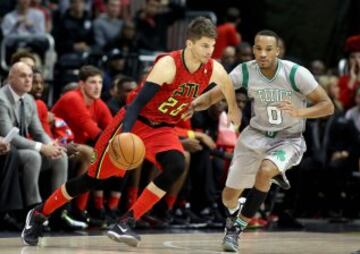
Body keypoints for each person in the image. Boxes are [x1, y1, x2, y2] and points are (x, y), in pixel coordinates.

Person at [21, 16, 241, 246]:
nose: (210, 50)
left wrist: (228, 107)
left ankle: (126, 222)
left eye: (213, 45)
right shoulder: (168, 65)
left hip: (163, 128)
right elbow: (136, 105)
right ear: (190, 43)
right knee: (93, 180)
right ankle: (38, 214)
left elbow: (227, 85)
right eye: (205, 45)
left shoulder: (212, 68)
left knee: (176, 165)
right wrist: (125, 133)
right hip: (135, 121)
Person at [189, 30, 334, 252]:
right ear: (253, 49)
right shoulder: (246, 71)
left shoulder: (296, 73)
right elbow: (214, 95)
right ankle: (239, 209)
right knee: (228, 199)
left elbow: (327, 105)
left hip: (288, 138)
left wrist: (300, 112)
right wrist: (192, 105)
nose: (263, 54)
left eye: (268, 49)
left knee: (265, 171)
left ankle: (237, 228)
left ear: (278, 51)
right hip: (255, 136)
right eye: (258, 48)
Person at [0, 62, 68, 210]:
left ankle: (57, 209)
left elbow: (38, 132)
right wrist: (41, 147)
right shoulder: (2, 99)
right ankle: (34, 208)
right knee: (33, 156)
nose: (28, 80)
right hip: (7, 152)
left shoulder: (29, 99)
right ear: (11, 78)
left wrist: (51, 145)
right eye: (23, 76)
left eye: (30, 76)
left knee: (60, 155)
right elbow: (7, 133)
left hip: (23, 149)